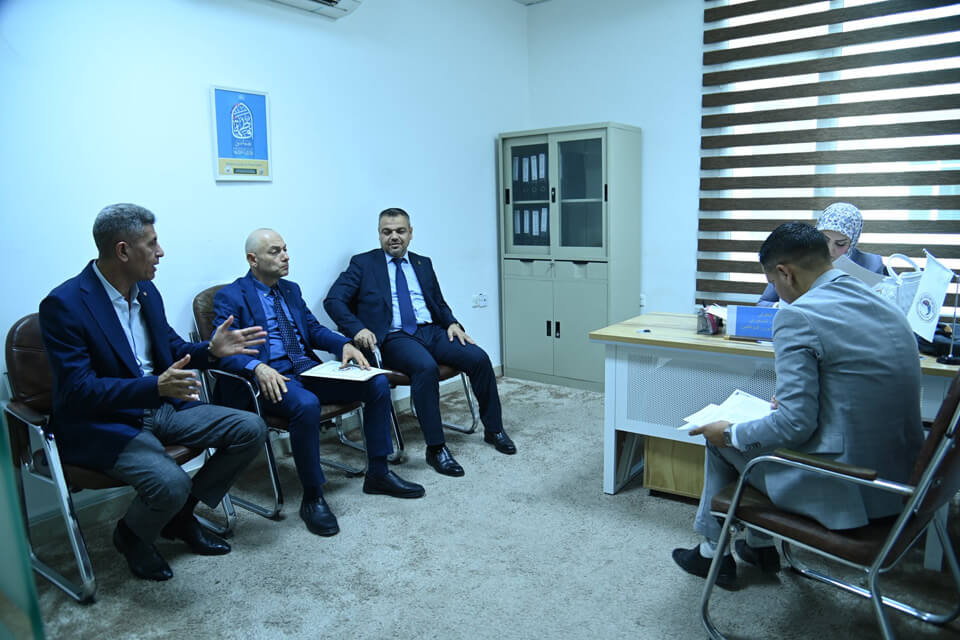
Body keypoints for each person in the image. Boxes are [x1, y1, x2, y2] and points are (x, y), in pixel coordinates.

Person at [673, 221, 923, 588]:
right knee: (750, 433)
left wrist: (729, 432)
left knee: (721, 438)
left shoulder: (797, 316)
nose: (777, 291)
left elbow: (794, 425)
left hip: (849, 487)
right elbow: (858, 385)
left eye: (773, 282)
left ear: (785, 273)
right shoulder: (881, 302)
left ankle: (713, 553)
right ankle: (758, 546)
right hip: (901, 484)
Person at [39, 203, 269, 582]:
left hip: (160, 407)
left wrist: (211, 351)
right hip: (106, 423)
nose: (160, 252)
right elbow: (79, 390)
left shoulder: (146, 291)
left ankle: (181, 516)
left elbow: (173, 348)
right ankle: (131, 535)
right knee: (171, 481)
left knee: (250, 429)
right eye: (152, 243)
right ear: (123, 250)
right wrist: (154, 386)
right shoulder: (64, 305)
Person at [213, 229, 425, 538]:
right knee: (306, 404)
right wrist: (256, 366)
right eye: (275, 251)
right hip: (271, 379)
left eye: (285, 249)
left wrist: (344, 344)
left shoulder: (290, 289)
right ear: (252, 259)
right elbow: (221, 353)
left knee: (377, 383)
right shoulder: (231, 296)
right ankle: (313, 496)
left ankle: (378, 473)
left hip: (307, 370)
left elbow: (312, 329)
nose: (285, 256)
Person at [324, 207, 516, 477]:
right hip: (394, 336)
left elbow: (438, 302)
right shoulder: (363, 263)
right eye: (387, 232)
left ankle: (494, 429)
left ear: (410, 233)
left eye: (400, 231)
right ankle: (436, 448)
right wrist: (358, 329)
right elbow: (333, 300)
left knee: (479, 358)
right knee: (425, 367)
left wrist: (452, 323)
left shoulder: (422, 263)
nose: (394, 237)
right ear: (379, 234)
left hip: (431, 331)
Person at [757, 202, 884, 307]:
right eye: (824, 239)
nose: (830, 249)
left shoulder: (872, 264)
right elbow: (763, 303)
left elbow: (880, 306)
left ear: (852, 242)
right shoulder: (797, 257)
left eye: (840, 244)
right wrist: (784, 307)